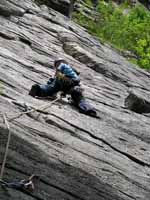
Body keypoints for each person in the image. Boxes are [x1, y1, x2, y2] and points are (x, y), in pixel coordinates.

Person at [29, 58, 97, 117]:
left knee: (50, 89)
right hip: (70, 83)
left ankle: (38, 89)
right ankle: (88, 109)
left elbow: (50, 83)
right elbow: (76, 78)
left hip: (59, 82)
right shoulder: (69, 69)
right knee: (78, 95)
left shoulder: (58, 73)